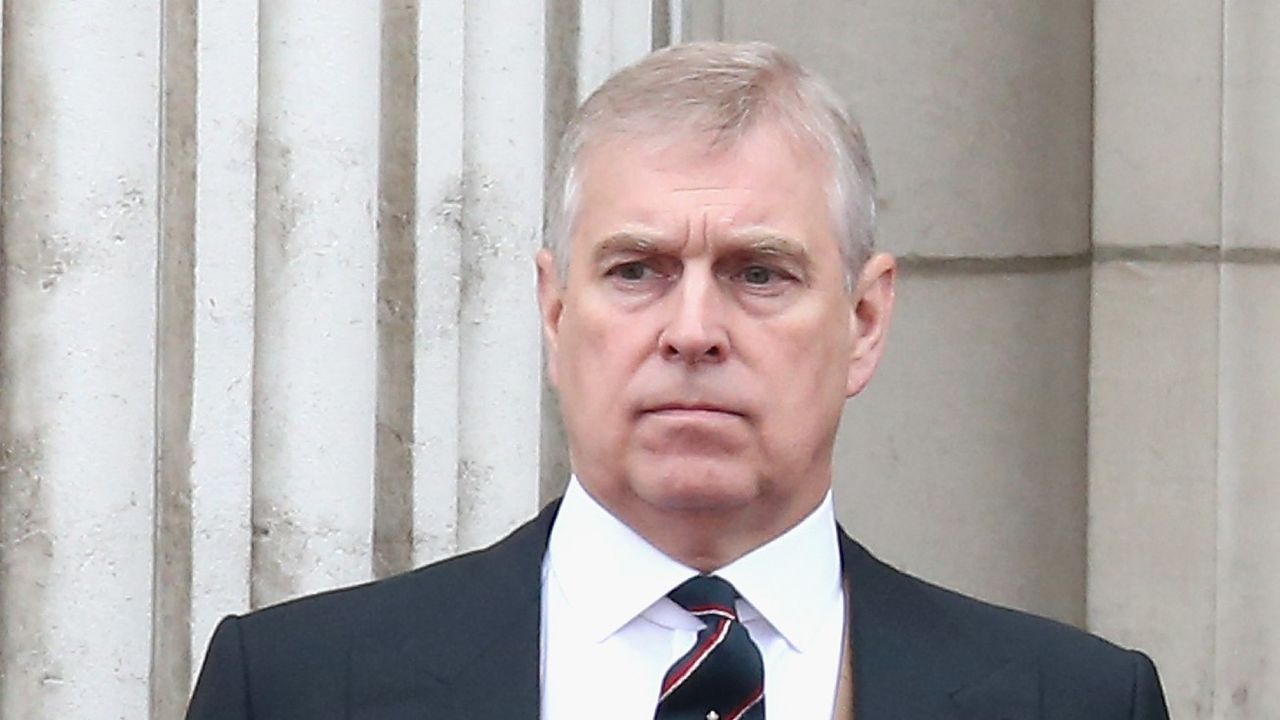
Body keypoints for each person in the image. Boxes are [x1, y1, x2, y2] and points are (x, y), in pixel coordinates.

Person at [186, 41, 1169, 719]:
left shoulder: (1071, 701)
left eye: (758, 273)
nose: (692, 330)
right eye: (635, 270)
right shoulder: (294, 688)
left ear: (863, 322)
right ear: (554, 312)